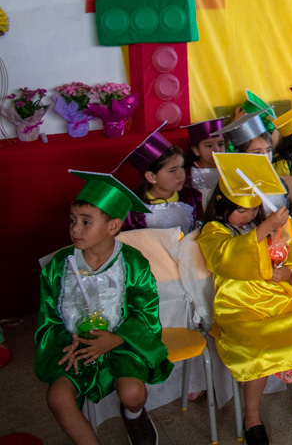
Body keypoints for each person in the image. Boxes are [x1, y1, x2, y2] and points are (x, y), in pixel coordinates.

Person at [198, 155, 292, 444]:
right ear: (222, 205)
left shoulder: (268, 224)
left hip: (281, 300)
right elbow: (227, 259)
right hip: (242, 308)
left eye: (252, 210)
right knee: (258, 356)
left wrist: (288, 274)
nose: (248, 216)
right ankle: (251, 416)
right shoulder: (213, 231)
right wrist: (266, 226)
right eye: (239, 210)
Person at [36, 171, 172, 445]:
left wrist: (116, 338)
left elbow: (146, 312)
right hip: (75, 344)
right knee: (57, 397)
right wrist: (67, 342)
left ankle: (134, 416)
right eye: (72, 221)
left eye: (86, 222)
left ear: (113, 227)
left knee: (132, 393)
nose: (75, 230)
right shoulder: (59, 266)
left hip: (122, 341)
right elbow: (48, 316)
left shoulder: (133, 263)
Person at [121, 128, 203, 233]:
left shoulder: (193, 197)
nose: (181, 174)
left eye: (182, 167)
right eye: (172, 170)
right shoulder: (134, 209)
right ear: (151, 177)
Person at [185, 118, 226, 212]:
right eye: (208, 146)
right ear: (196, 150)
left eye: (220, 144)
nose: (216, 150)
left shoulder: (230, 170)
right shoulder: (187, 175)